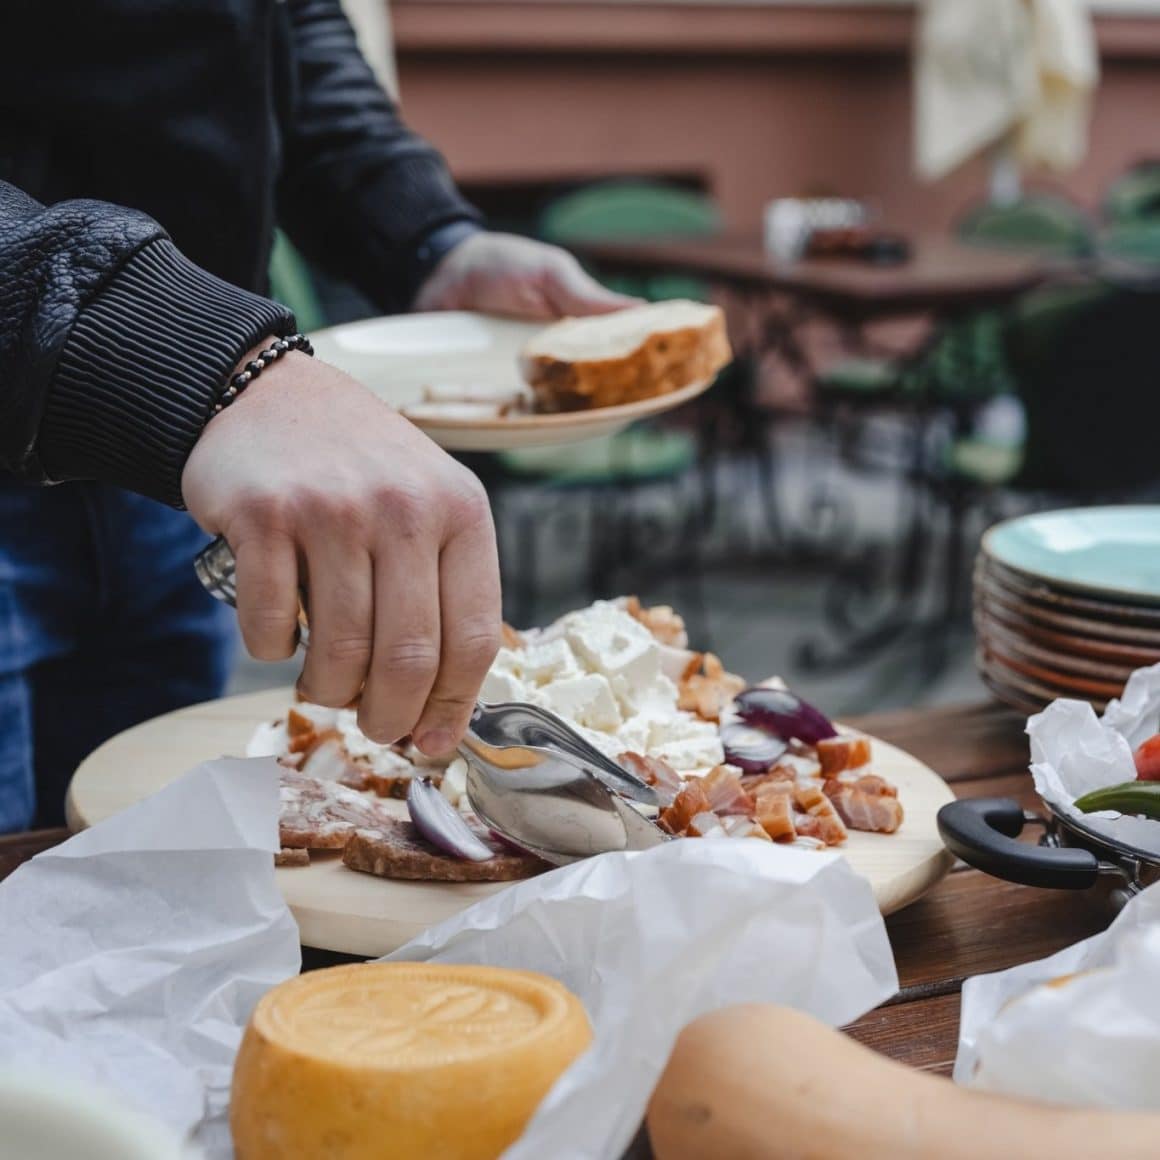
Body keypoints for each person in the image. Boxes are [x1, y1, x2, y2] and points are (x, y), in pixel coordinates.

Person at [0, 0, 632, 833]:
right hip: (183, 404)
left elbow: (282, 29)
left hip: (187, 470)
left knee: (129, 858)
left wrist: (427, 235)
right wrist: (194, 356)